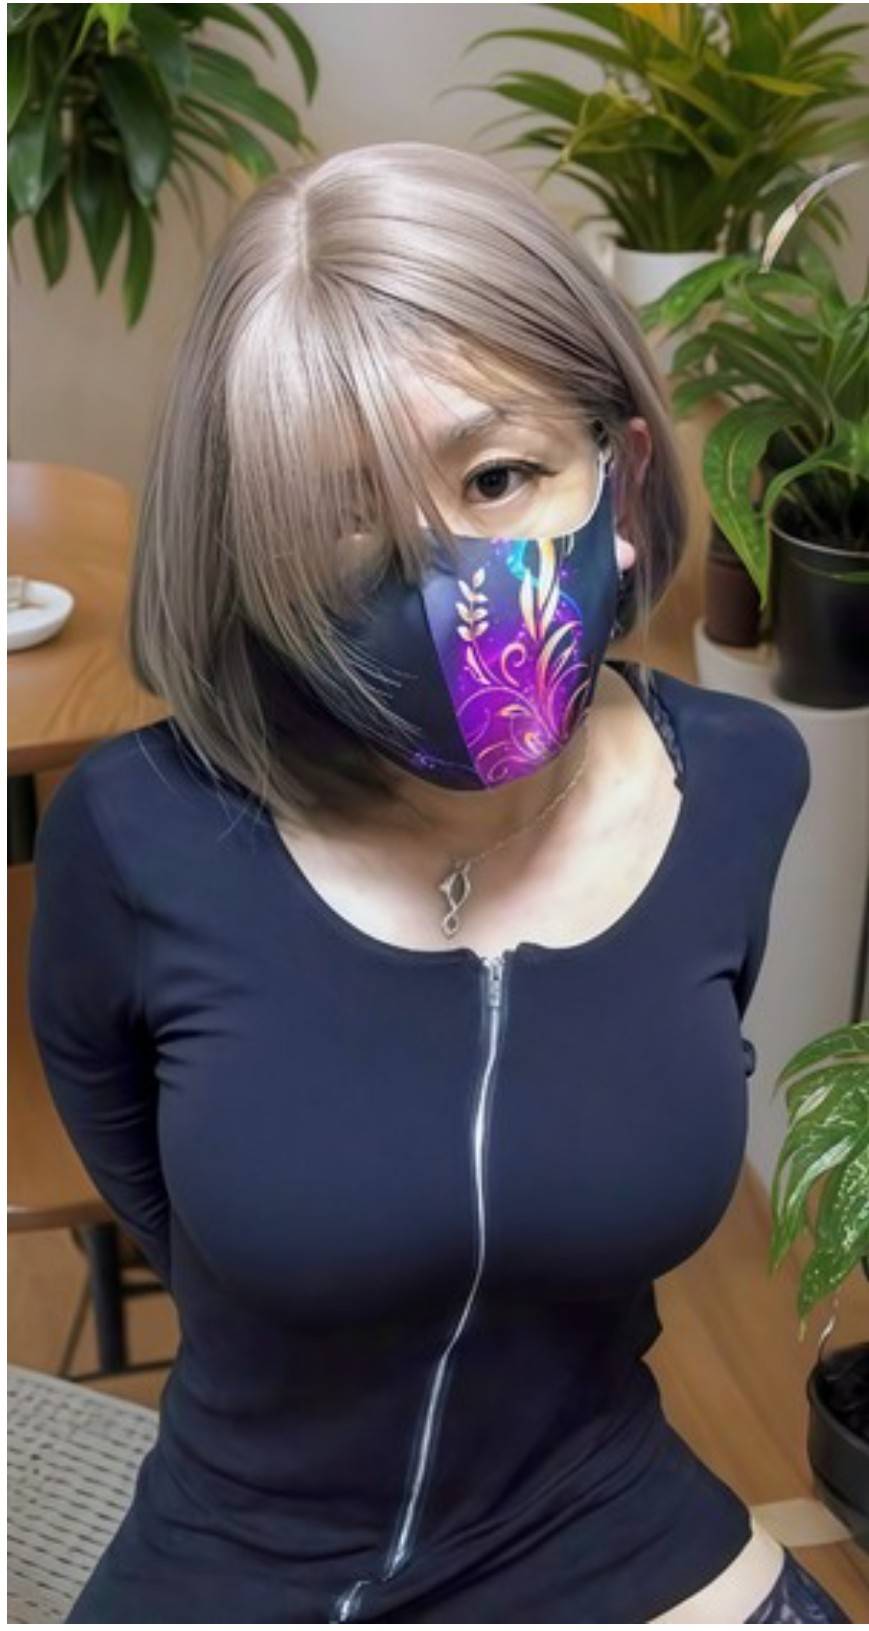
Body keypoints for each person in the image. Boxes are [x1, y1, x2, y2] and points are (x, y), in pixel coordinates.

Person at [27, 143, 851, 1624]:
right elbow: (156, 1200)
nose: (441, 576)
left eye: (498, 476)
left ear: (620, 478)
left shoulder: (738, 784)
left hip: (607, 1524)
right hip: (244, 1551)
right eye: (340, 516)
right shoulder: (139, 832)